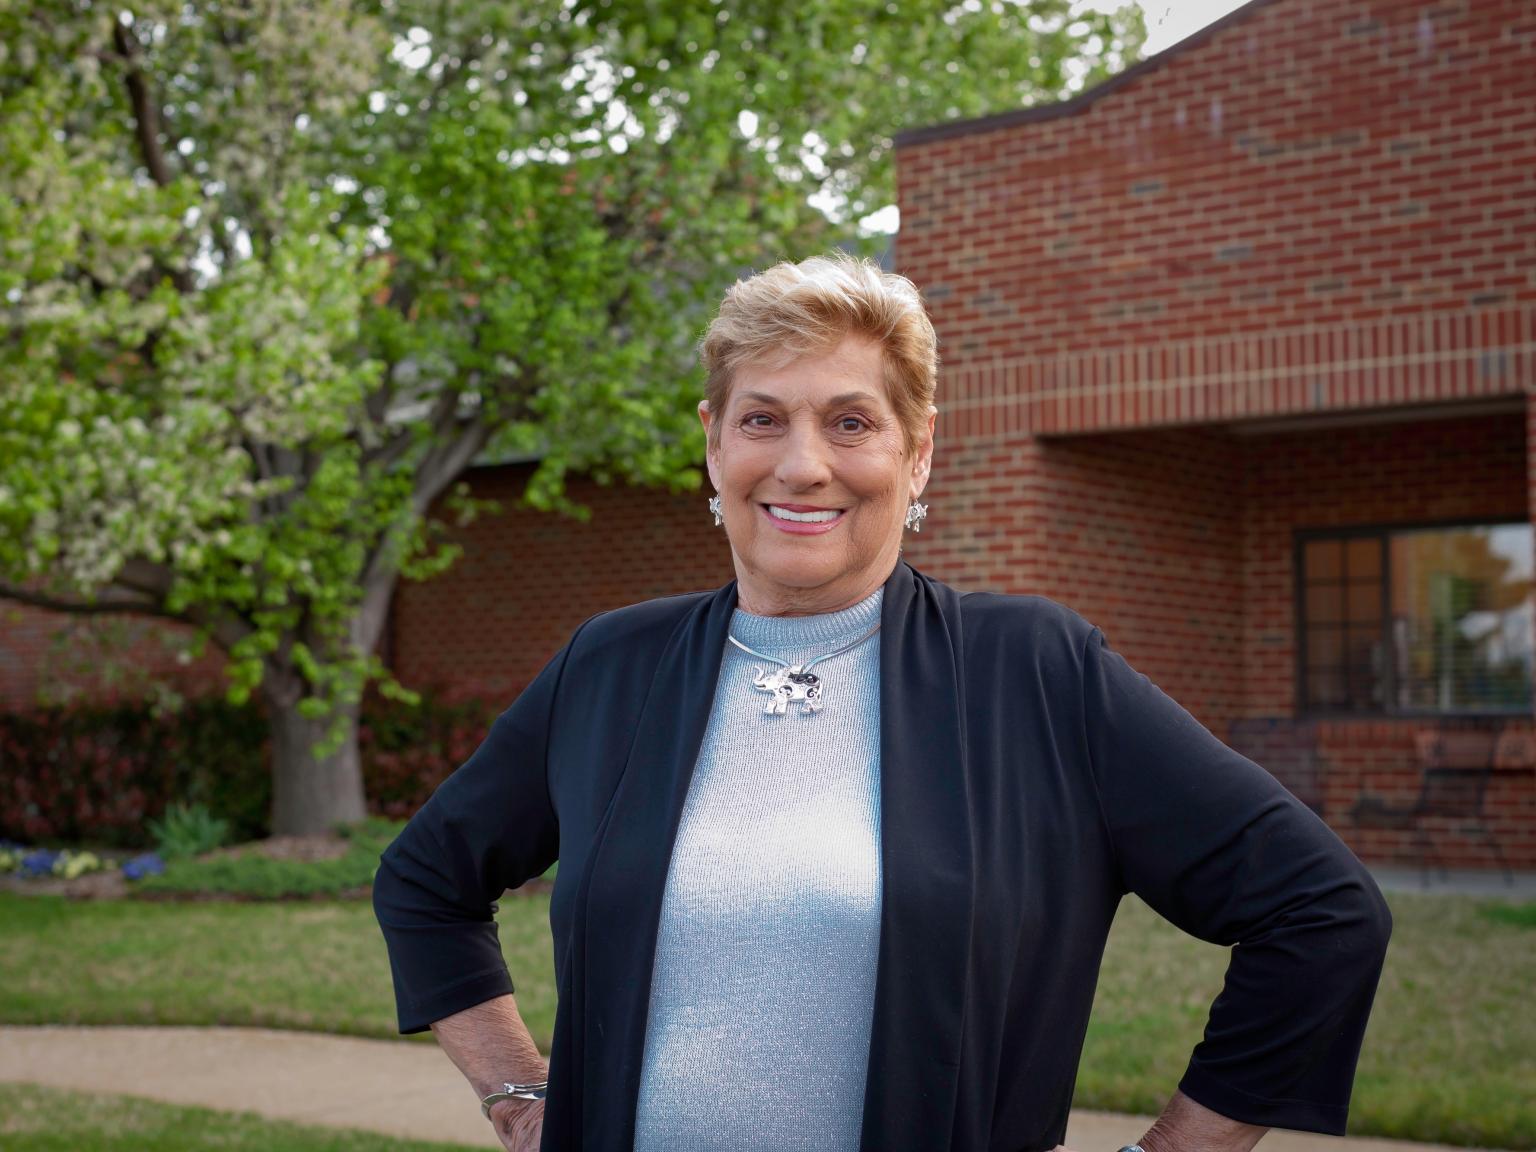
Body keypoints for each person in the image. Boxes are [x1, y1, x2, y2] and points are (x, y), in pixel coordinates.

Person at [372, 252, 1392, 1152]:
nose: (802, 463)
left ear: (918, 454)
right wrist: (517, 1092)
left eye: (851, 421)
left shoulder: (1032, 672)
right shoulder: (612, 666)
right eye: (762, 418)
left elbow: (1319, 914)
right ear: (715, 448)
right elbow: (426, 878)